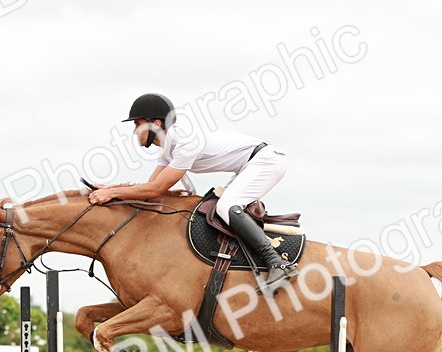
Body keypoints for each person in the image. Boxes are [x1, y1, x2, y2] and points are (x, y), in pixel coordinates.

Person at [88, 92, 298, 291]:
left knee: (226, 207)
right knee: (217, 208)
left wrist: (112, 194)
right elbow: (149, 187)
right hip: (250, 165)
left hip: (267, 162)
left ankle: (277, 263)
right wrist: (112, 188)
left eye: (137, 123)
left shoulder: (185, 142)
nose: (135, 130)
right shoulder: (168, 149)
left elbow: (156, 189)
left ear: (156, 123)